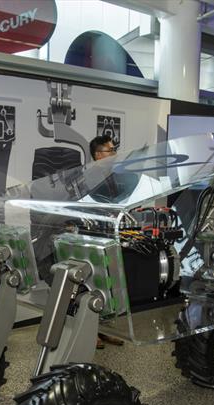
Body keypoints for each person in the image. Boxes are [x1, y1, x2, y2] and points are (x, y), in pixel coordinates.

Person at [89, 135, 124, 349]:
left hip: (110, 235)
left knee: (109, 284)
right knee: (94, 284)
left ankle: (106, 329)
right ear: (98, 154)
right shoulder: (87, 176)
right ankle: (92, 332)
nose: (114, 154)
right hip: (93, 236)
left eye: (114, 150)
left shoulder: (113, 176)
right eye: (110, 151)